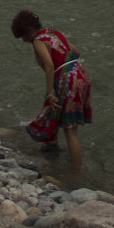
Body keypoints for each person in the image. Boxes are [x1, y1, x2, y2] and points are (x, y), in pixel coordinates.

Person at [13, 9, 91, 171]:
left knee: (71, 132)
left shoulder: (38, 41)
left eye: (22, 36)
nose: (23, 41)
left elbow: (49, 65)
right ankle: (52, 145)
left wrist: (51, 91)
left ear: (29, 31)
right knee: (53, 109)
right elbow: (76, 52)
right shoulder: (53, 33)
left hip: (67, 80)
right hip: (80, 74)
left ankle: (76, 173)